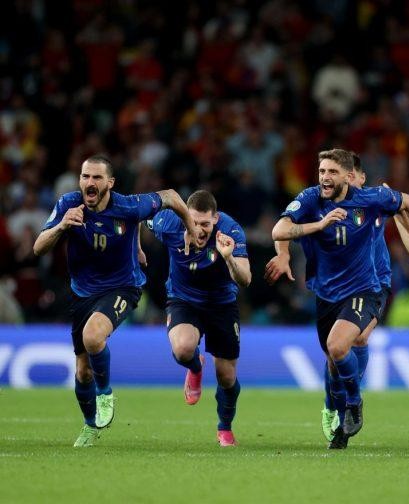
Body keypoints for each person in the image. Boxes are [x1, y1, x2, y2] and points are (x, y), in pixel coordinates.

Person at [271, 148, 409, 449]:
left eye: (332, 172)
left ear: (351, 176)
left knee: (344, 343)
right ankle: (332, 405)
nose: (325, 177)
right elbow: (279, 229)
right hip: (325, 292)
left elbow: (407, 205)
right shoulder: (311, 199)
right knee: (334, 359)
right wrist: (306, 236)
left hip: (367, 287)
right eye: (322, 172)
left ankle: (353, 404)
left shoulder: (370, 199)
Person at [33, 155, 199, 447]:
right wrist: (61, 227)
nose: (89, 183)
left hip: (124, 286)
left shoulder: (129, 205)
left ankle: (105, 392)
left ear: (110, 183)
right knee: (82, 370)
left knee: (93, 336)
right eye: (85, 177)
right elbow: (38, 248)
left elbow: (172, 196)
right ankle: (89, 425)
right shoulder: (68, 205)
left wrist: (188, 225)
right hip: (82, 292)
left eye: (97, 177)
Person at [142, 190, 251, 446]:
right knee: (182, 349)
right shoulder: (168, 222)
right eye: (193, 222)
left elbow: (245, 279)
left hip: (222, 304)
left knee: (226, 376)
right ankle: (195, 366)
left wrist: (228, 258)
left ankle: (224, 427)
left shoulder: (231, 230)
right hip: (184, 300)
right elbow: (134, 213)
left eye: (205, 224)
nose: (199, 230)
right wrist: (136, 249)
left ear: (215, 219)